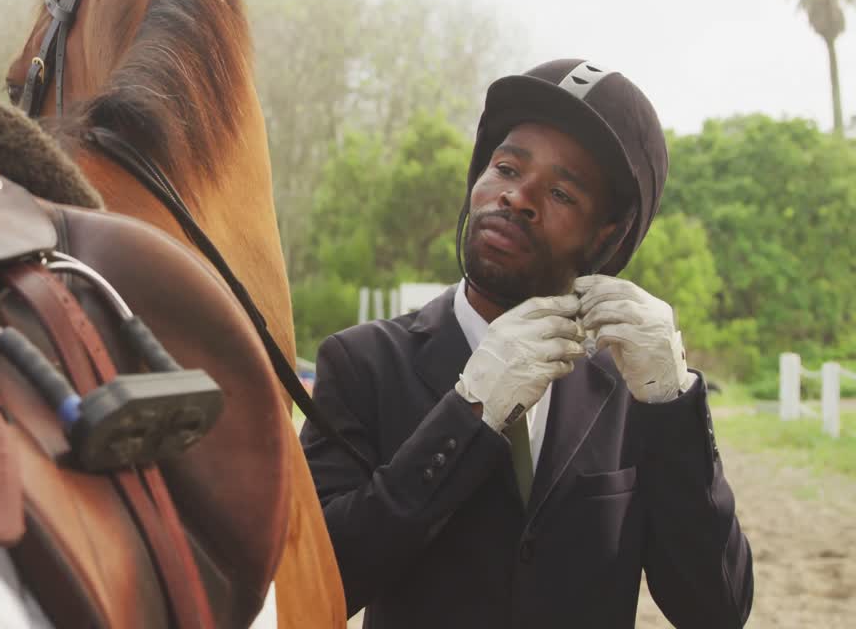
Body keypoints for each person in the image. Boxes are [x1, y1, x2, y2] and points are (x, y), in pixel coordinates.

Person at [301, 59, 753, 628]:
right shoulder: (360, 362)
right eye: (507, 167)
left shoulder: (630, 389)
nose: (517, 197)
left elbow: (717, 610)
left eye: (561, 192)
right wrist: (468, 416)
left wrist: (672, 404)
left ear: (606, 235)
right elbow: (313, 586)